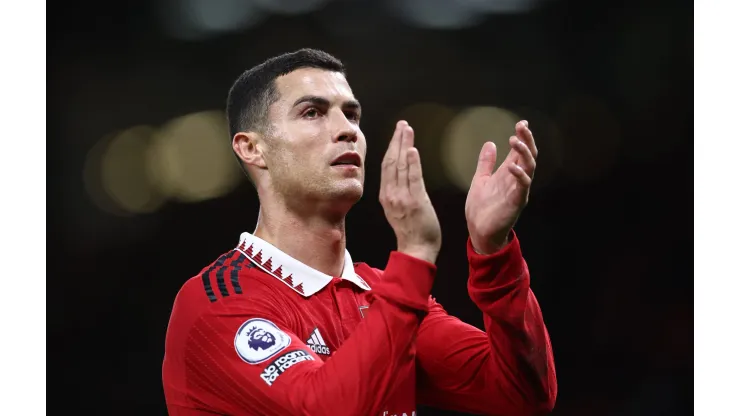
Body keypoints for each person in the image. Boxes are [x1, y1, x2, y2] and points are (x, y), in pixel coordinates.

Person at [162, 48, 557, 416]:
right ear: (252, 148)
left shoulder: (382, 294)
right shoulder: (215, 302)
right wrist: (415, 254)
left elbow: (523, 394)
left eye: (351, 115)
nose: (347, 130)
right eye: (313, 113)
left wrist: (493, 252)